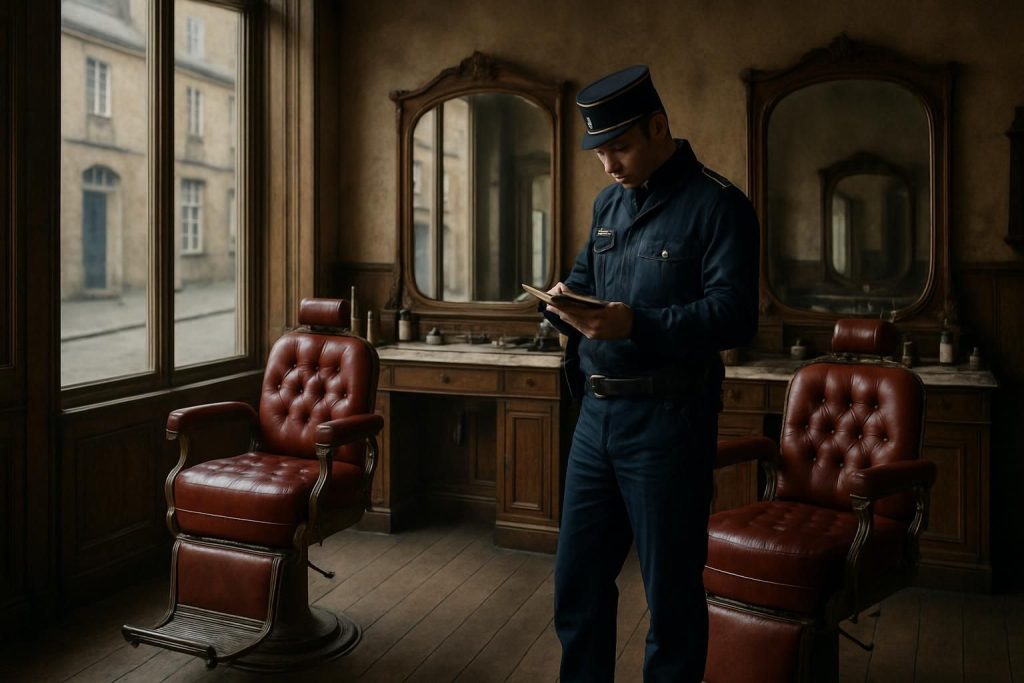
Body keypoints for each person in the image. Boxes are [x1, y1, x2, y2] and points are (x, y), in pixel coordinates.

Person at [543, 65, 760, 682]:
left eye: (620, 146)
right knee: (576, 587)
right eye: (600, 152)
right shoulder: (608, 203)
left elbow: (734, 317)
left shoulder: (720, 206)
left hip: (669, 422)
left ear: (659, 126)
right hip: (596, 418)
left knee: (670, 601)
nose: (609, 164)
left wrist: (634, 324)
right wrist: (563, 302)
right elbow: (588, 283)